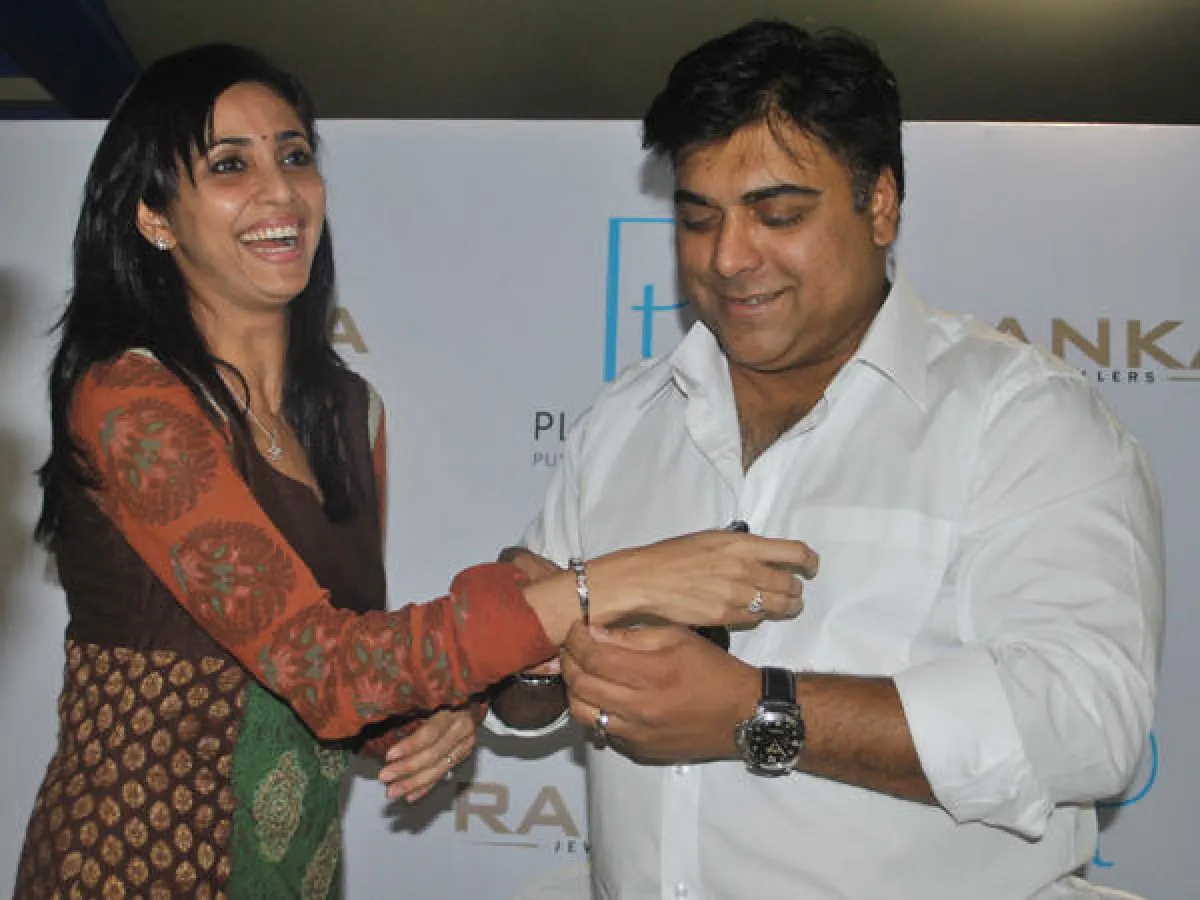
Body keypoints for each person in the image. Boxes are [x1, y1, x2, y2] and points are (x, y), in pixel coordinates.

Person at [11, 43, 814, 899]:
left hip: (293, 876)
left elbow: (352, 670)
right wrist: (607, 584)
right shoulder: (131, 399)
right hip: (129, 871)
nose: (280, 192)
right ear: (155, 217)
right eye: (230, 166)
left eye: (295, 156)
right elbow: (326, 673)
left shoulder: (348, 412)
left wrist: (440, 715)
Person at [473, 19, 1164, 900]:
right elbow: (525, 700)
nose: (729, 257)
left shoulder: (1021, 420)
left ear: (880, 205)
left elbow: (1089, 723)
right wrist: (524, 652)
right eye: (698, 217)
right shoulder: (625, 420)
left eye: (779, 215)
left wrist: (754, 709)